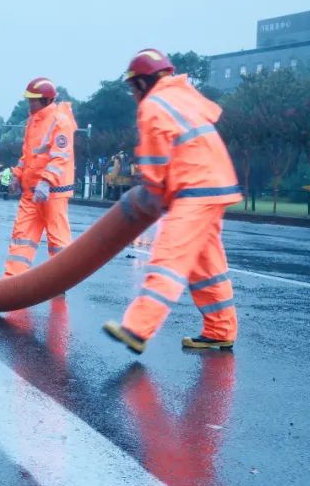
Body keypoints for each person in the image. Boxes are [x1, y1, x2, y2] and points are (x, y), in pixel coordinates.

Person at [103, 49, 242, 354]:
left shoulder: (153, 105)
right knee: (207, 266)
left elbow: (154, 160)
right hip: (214, 184)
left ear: (141, 83)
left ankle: (137, 330)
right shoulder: (184, 96)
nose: (132, 95)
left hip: (194, 189)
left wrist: (154, 197)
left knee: (168, 261)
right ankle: (220, 330)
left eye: (132, 88)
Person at [4, 77, 76, 276]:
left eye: (32, 100)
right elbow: (28, 155)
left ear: (45, 100)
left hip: (53, 193)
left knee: (58, 241)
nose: (29, 104)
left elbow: (61, 156)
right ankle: (11, 282)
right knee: (21, 238)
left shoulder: (60, 121)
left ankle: (59, 282)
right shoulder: (33, 122)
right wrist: (16, 174)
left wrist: (46, 182)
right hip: (31, 193)